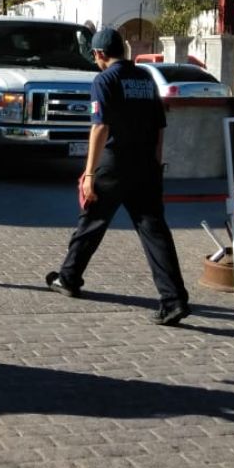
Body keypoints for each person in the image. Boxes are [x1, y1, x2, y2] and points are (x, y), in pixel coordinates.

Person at [45, 27, 192, 325]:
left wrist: (89, 173)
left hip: (114, 165)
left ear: (99, 54)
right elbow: (160, 128)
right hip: (146, 165)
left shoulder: (104, 80)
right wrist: (155, 164)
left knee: (91, 222)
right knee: (155, 232)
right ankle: (174, 299)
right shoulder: (146, 79)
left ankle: (69, 278)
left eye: (95, 56)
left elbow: (100, 127)